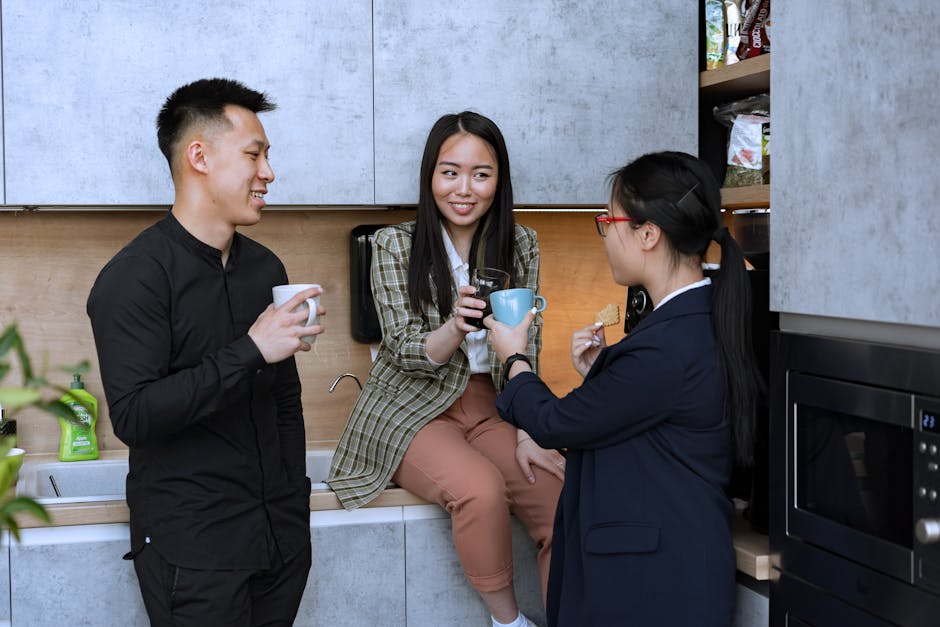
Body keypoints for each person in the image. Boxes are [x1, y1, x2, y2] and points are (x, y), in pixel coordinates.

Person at [486, 150, 763, 626]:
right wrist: (602, 374)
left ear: (648, 234)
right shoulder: (696, 319)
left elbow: (555, 424)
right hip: (666, 572)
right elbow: (645, 425)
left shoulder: (665, 344)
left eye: (608, 221)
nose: (605, 235)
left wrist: (514, 357)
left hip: (653, 586)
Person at [86, 78, 321, 626]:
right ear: (199, 156)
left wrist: (294, 505)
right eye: (254, 154)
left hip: (279, 540)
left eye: (268, 156)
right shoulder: (134, 278)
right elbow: (136, 415)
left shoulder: (267, 269)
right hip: (193, 553)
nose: (269, 173)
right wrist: (250, 350)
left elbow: (285, 401)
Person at [327, 111, 564, 627]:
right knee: (478, 489)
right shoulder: (394, 245)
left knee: (558, 497)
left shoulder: (520, 243)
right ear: (429, 176)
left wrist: (531, 428)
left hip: (495, 404)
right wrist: (456, 326)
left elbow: (531, 343)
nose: (465, 189)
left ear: (498, 180)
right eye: (449, 172)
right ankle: (509, 623)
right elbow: (406, 350)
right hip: (413, 408)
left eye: (481, 174)